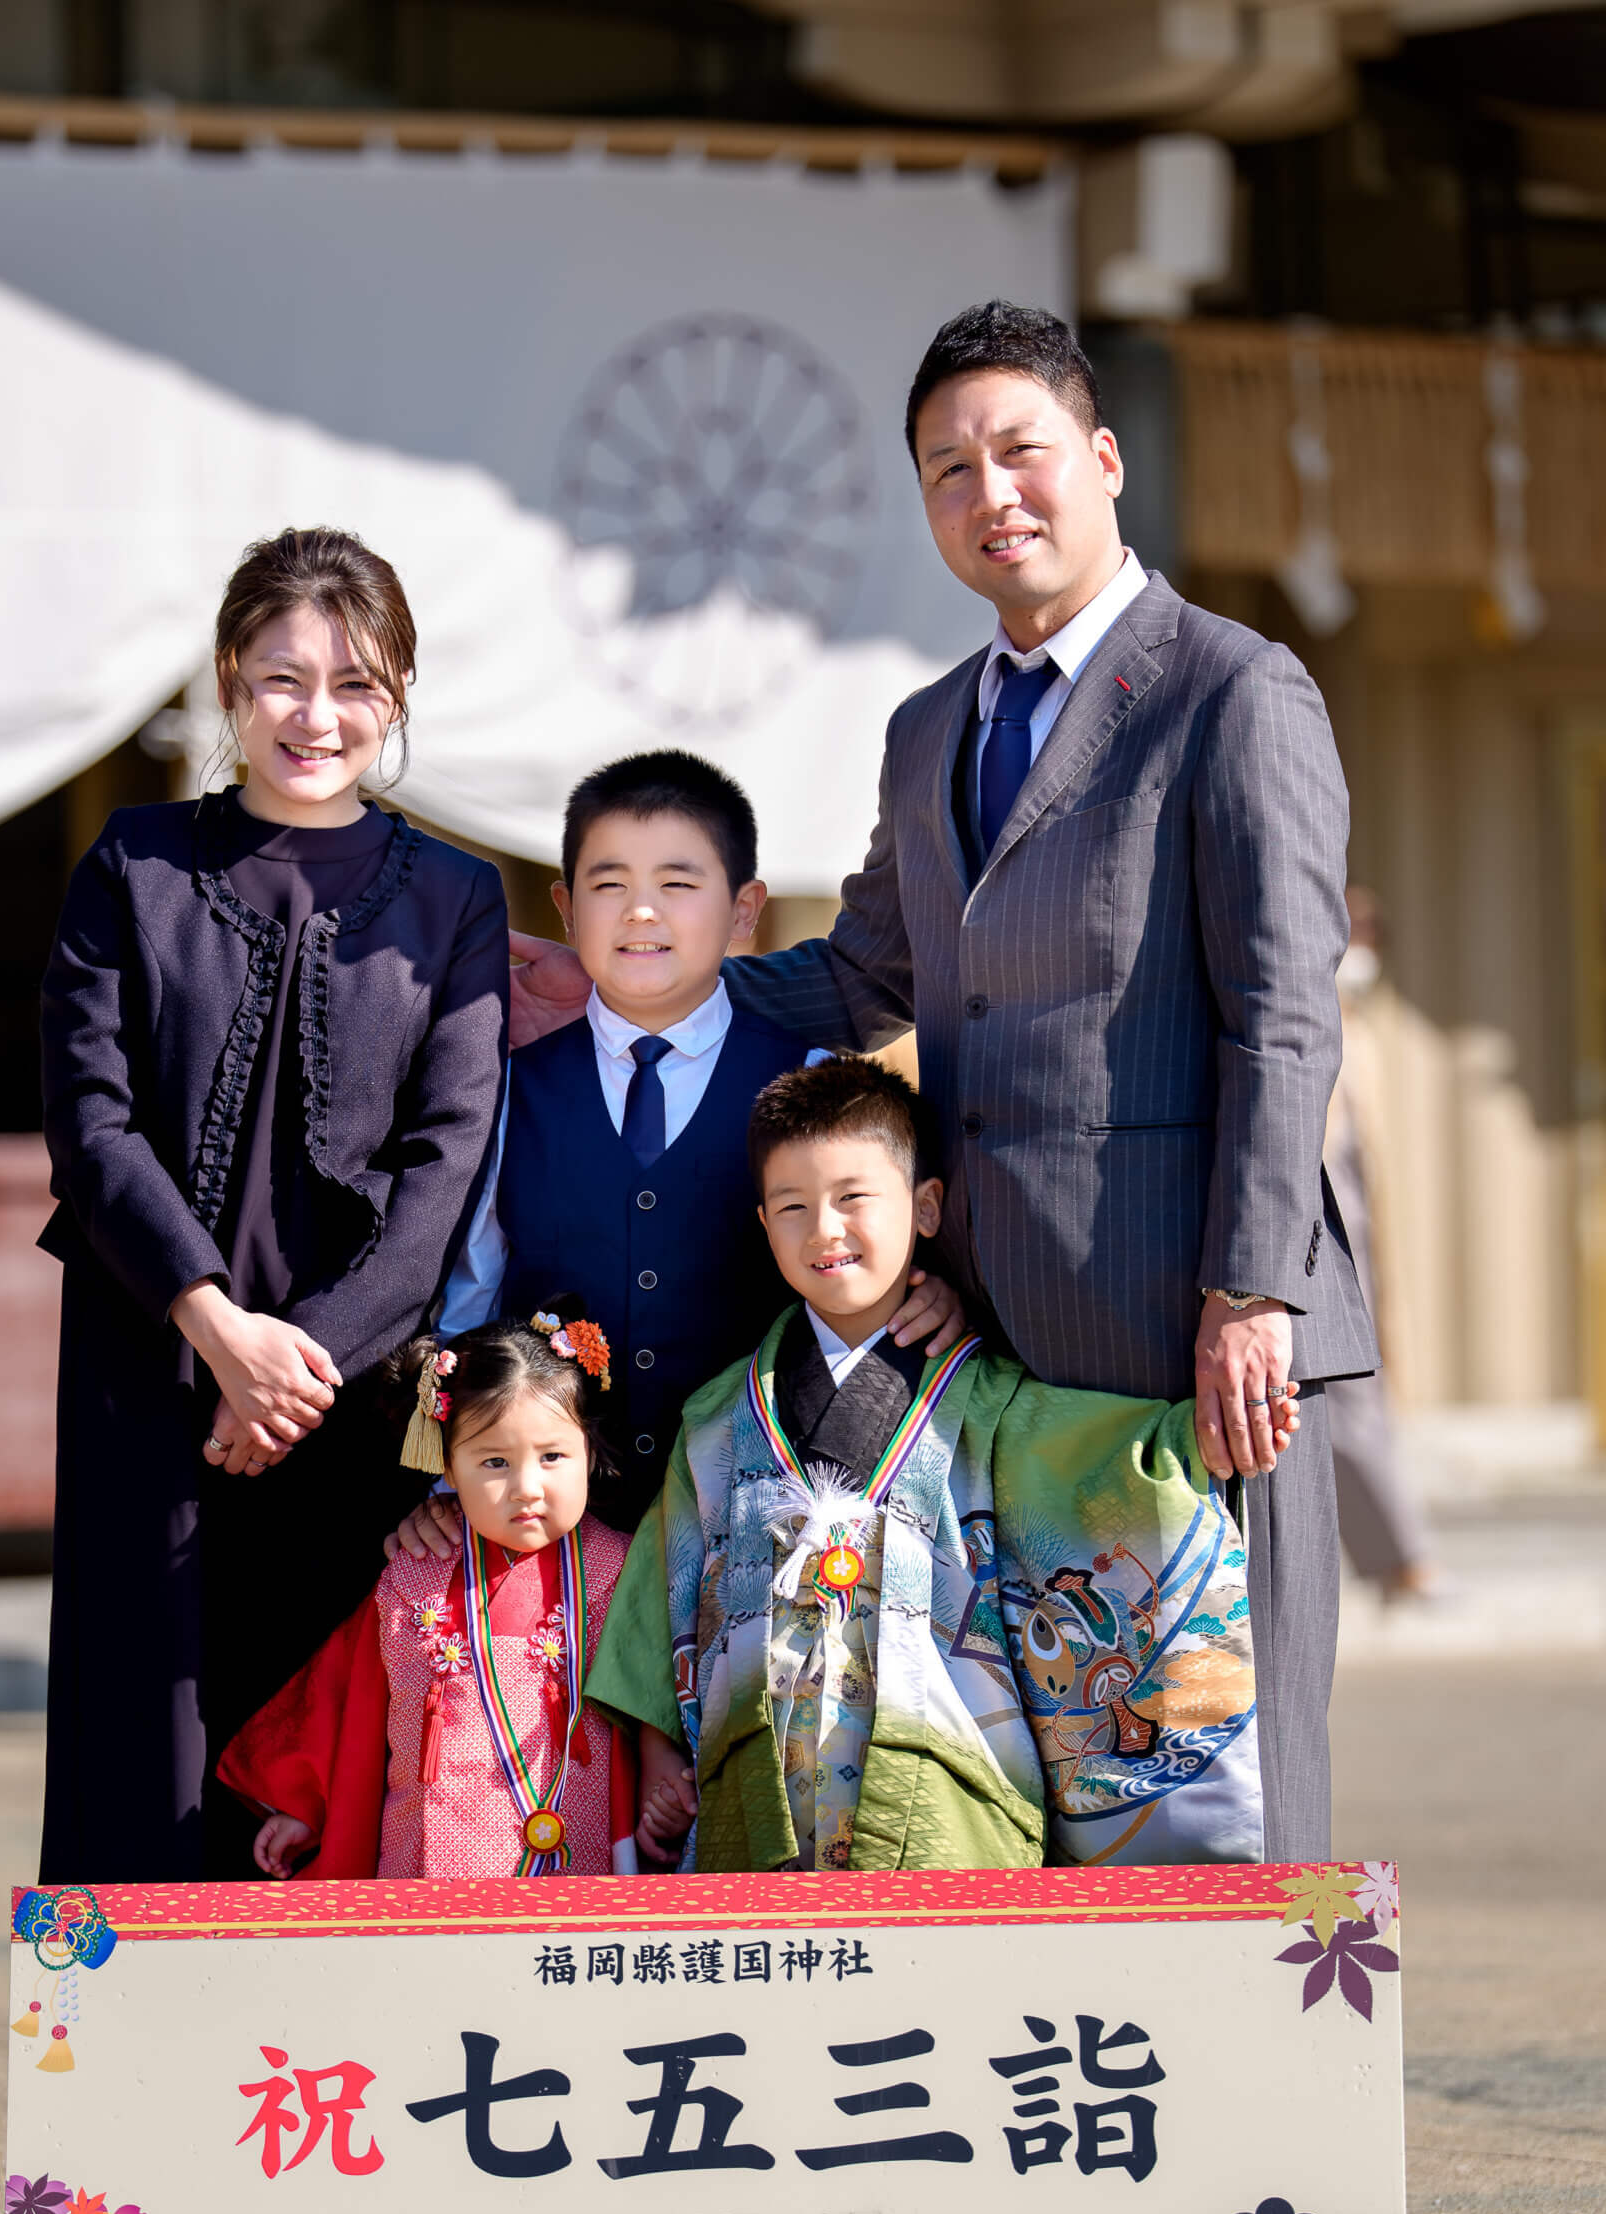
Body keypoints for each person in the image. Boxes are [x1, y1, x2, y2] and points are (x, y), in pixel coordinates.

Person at [516, 304, 1376, 1861]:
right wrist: (622, 973)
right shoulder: (932, 730)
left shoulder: (1232, 693)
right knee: (1042, 1776)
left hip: (1189, 1327)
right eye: (949, 470)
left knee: (1217, 1775)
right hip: (984, 1331)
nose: (993, 494)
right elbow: (865, 977)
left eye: (1022, 452)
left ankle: (1262, 2097)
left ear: (1102, 460)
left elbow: (1283, 1016)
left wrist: (1255, 1292)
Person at [38, 527, 508, 1883]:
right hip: (149, 1373)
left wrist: (295, 1370)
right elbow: (91, 1124)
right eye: (284, 679)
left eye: (357, 684)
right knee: (146, 1754)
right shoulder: (133, 871)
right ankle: (124, 2083)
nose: (319, 716)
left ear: (399, 697)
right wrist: (218, 1338)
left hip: (345, 1411)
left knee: (334, 1768)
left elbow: (446, 1168)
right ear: (233, 684)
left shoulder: (456, 897)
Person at [593, 1059, 1290, 1874]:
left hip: (945, 1790)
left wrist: (1189, 1443)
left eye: (855, 1198)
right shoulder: (716, 1421)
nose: (825, 1229)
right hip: (760, 1786)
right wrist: (657, 1748)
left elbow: (1095, 1462)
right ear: (762, 1223)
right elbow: (667, 1599)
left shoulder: (988, 1404)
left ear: (926, 1207)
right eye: (793, 1207)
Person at [400, 749, 961, 1545]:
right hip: (553, 1529)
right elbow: (470, 1302)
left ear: (744, 910)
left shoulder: (811, 1081)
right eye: (609, 885)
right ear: (565, 907)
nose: (640, 912)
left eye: (678, 883)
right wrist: (446, 1485)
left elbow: (868, 1256)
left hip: (763, 1517)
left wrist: (931, 1287)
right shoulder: (502, 1090)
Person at [218, 1311, 642, 1878]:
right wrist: (308, 1806)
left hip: (577, 1860)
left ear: (589, 1449)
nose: (527, 1488)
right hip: (430, 1863)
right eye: (494, 1462)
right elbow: (351, 1703)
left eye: (553, 1456)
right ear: (446, 1465)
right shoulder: (415, 1574)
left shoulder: (621, 1568)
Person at [1325, 886, 1439, 1602]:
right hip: (1315, 1231)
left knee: (1360, 1394)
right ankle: (1404, 1558)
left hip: (1357, 1229)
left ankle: (1399, 1559)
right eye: (1354, 929)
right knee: (1349, 1394)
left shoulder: (1358, 1023)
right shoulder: (1301, 1022)